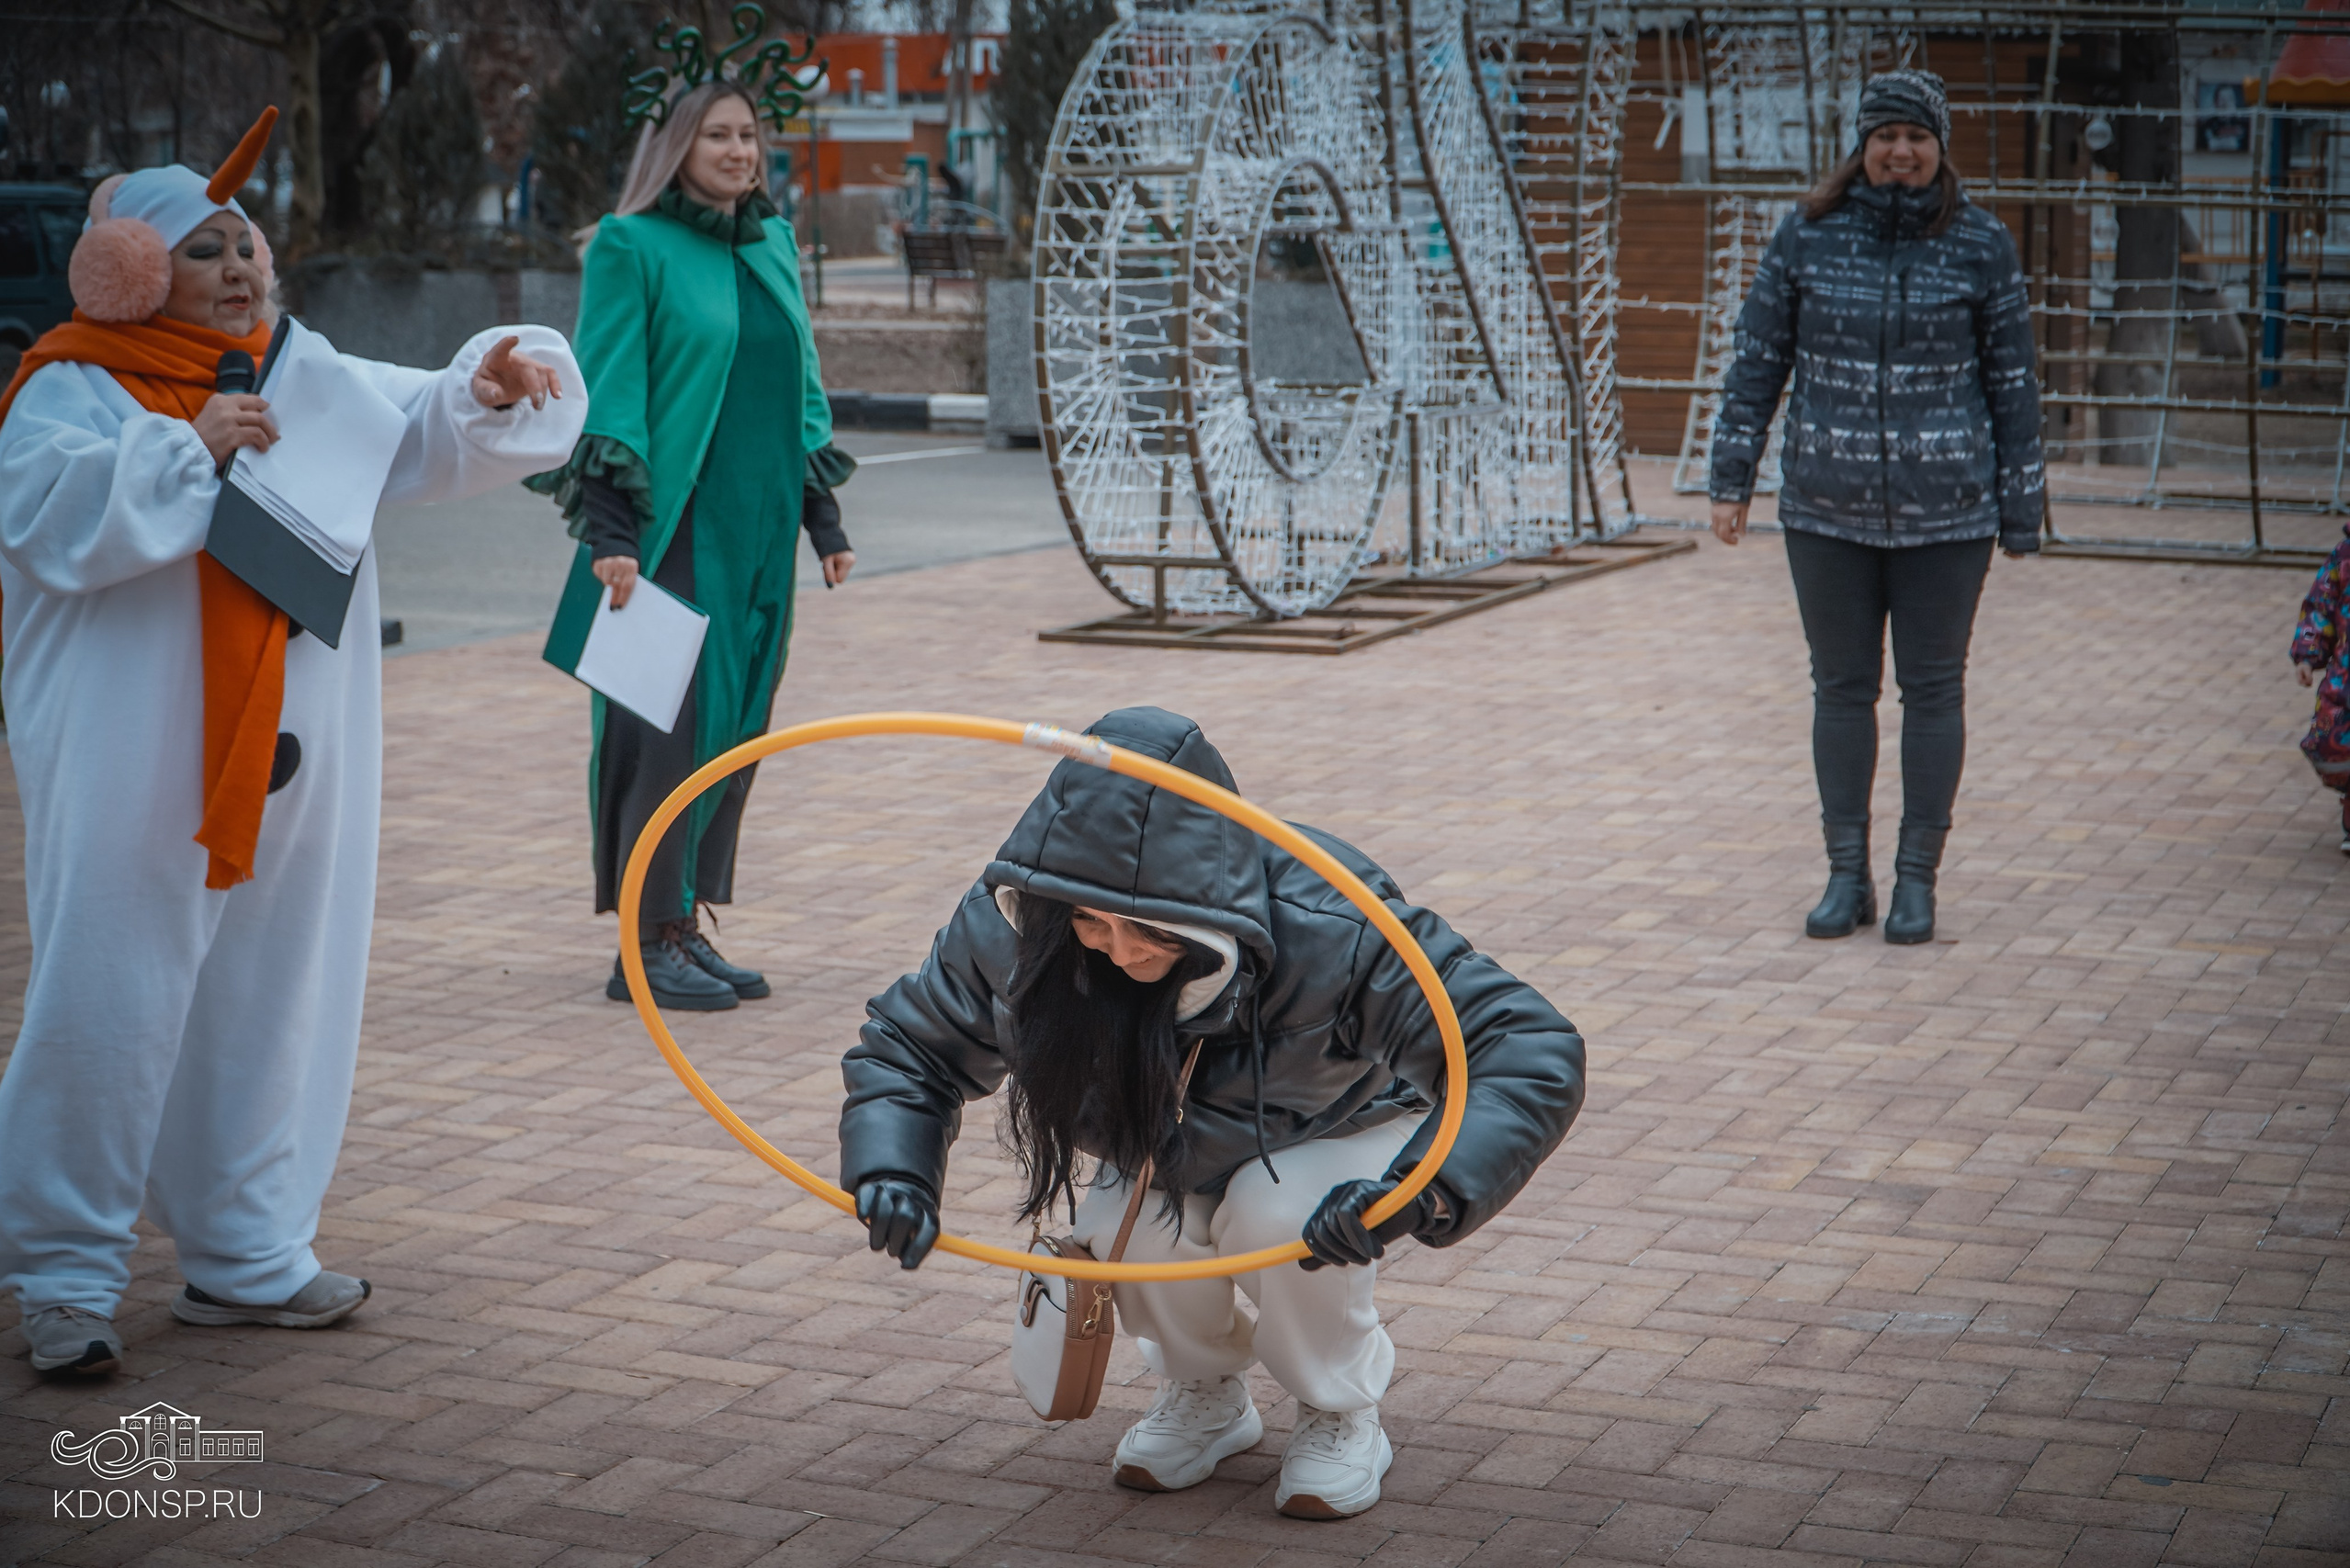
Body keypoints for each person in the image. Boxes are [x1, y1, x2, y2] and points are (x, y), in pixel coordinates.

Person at [0, 109, 585, 1375]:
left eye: (247, 245)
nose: (240, 268)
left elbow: (418, 424)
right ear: (133, 273)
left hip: (294, 766)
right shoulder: (70, 385)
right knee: (104, 999)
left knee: (276, 995)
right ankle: (61, 1272)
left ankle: (249, 1249)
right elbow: (48, 519)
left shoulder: (301, 370)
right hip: (134, 760)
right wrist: (182, 452)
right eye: (206, 250)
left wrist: (487, 379)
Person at [841, 707, 1586, 1520]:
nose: (1117, 950)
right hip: (1165, 1132)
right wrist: (894, 1167)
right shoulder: (1016, 922)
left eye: (1148, 930)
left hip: (1340, 1120)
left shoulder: (1330, 922)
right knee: (1138, 1226)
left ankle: (1339, 1408)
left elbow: (1527, 1043)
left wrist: (1427, 1184)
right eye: (1089, 921)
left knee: (1280, 1217)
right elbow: (911, 1046)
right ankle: (1205, 1392)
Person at [528, 78, 855, 1013]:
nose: (738, 152)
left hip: (759, 539)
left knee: (730, 728)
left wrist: (821, 522)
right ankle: (643, 941)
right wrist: (612, 530)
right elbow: (612, 389)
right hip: (670, 533)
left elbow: (798, 390)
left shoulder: (772, 244)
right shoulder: (631, 246)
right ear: (675, 147)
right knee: (662, 733)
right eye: (716, 135)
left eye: (748, 135)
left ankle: (680, 920)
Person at [1707, 69, 2044, 945]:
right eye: (1886, 136)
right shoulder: (1807, 235)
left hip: (1949, 513)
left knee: (1934, 691)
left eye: (1917, 137)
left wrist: (2022, 508)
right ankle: (1845, 874)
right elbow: (1756, 360)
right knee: (1841, 690)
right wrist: (1731, 477)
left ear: (1940, 147)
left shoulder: (1981, 244)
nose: (1901, 151)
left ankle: (1916, 881)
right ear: (1862, 145)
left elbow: (2013, 384)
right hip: (1825, 506)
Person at [2292, 521, 2350, 852]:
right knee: (2331, 743)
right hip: (2344, 681)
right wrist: (2307, 655)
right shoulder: (2343, 557)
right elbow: (2319, 607)